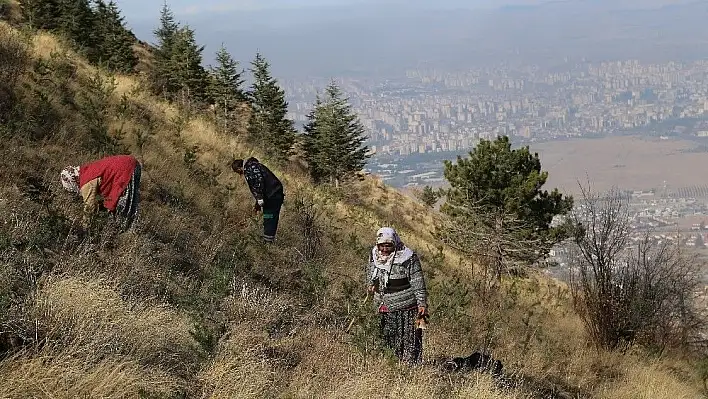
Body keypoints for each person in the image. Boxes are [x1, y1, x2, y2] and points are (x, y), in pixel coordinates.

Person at [367, 227, 428, 364]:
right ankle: (389, 365)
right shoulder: (374, 255)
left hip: (406, 307)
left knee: (408, 340)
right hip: (383, 306)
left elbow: (418, 282)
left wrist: (422, 304)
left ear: (394, 242)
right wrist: (370, 284)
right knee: (386, 338)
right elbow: (370, 271)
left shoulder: (407, 257)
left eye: (388, 245)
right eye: (381, 245)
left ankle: (410, 368)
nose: (384, 249)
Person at [60, 154, 142, 230]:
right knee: (130, 201)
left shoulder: (86, 182)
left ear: (72, 182)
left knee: (123, 206)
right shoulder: (86, 171)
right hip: (131, 163)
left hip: (126, 168)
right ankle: (131, 227)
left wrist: (85, 228)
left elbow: (89, 207)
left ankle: (126, 231)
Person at [231, 157, 285, 243]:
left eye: (238, 172)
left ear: (239, 168)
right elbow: (259, 186)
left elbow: (259, 182)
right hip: (272, 194)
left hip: (273, 195)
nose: (240, 174)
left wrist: (259, 198)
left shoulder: (250, 168)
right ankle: (268, 238)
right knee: (268, 216)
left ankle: (268, 242)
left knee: (270, 216)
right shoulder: (253, 166)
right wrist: (257, 204)